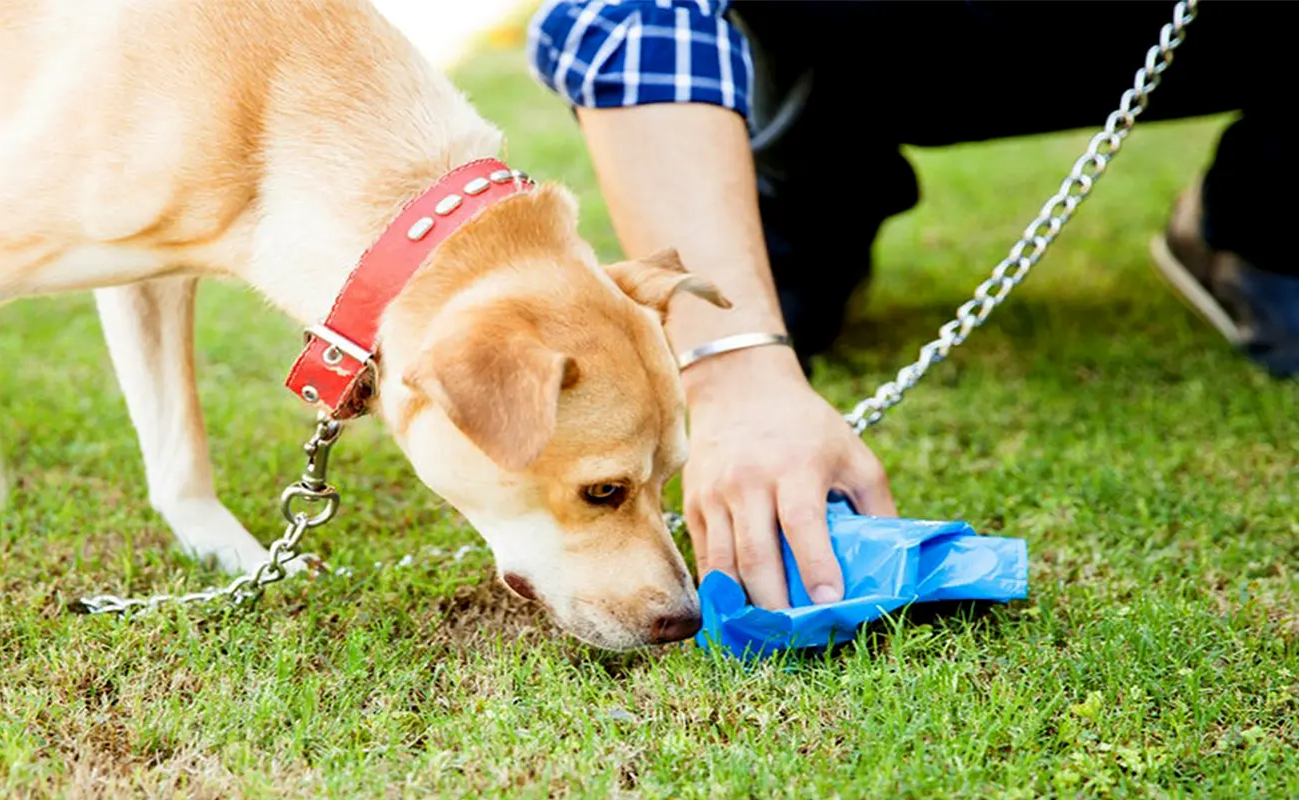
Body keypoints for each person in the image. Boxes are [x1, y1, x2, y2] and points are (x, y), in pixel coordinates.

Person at [525, 0, 1299, 611]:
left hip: (1195, 31)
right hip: (864, 33)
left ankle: (1261, 214)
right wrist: (735, 366)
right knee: (789, 292)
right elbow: (622, 15)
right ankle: (804, 192)